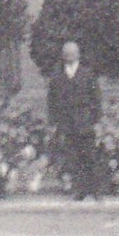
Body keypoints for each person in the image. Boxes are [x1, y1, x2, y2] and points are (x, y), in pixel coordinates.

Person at [48, 40, 104, 201]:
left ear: (78, 55)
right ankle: (79, 190)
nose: (69, 57)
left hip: (85, 120)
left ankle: (95, 190)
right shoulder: (57, 76)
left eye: (72, 54)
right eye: (66, 54)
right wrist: (54, 122)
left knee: (90, 156)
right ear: (63, 56)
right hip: (66, 122)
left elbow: (96, 98)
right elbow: (51, 100)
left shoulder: (87, 74)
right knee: (73, 158)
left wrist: (96, 119)